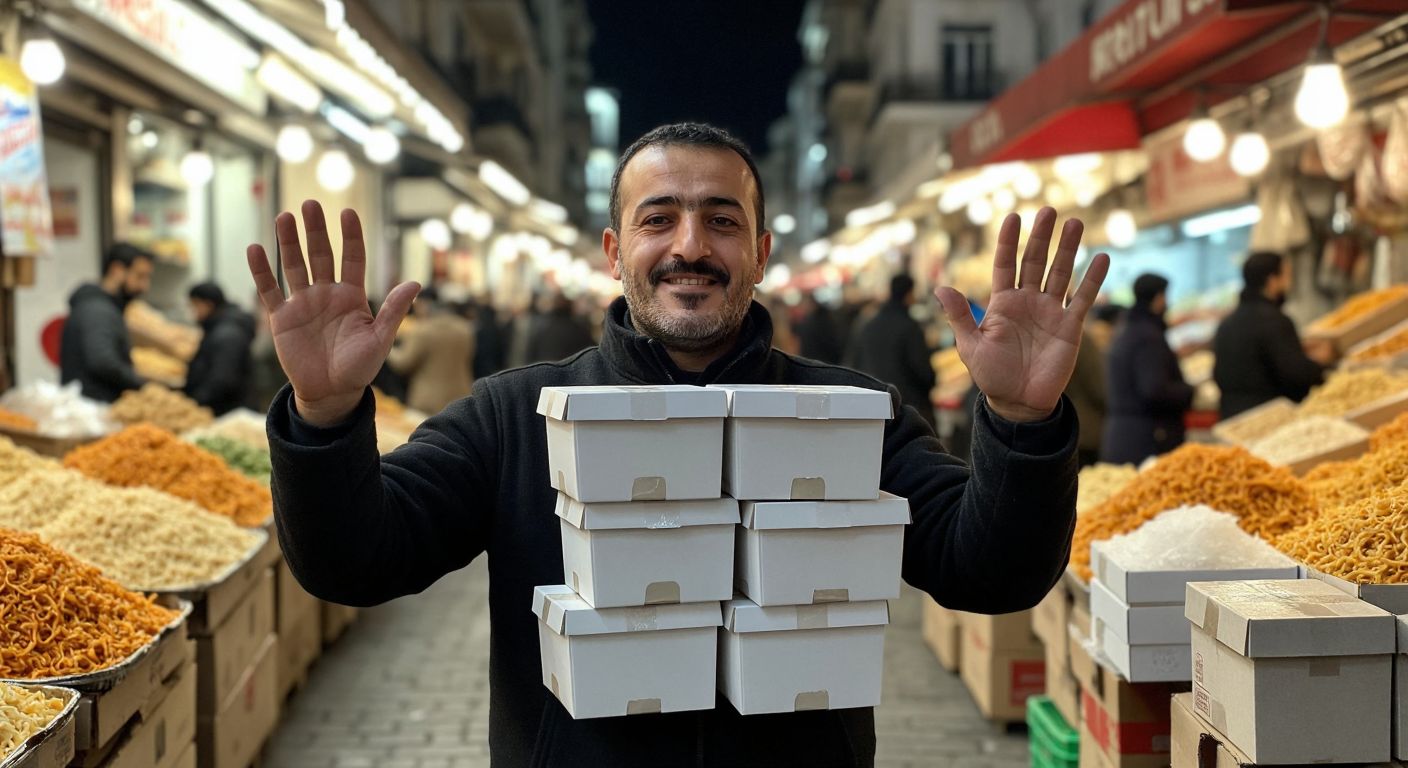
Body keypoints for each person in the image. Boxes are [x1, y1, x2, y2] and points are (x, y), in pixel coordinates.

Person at [247, 122, 1109, 767]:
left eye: (722, 222)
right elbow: (356, 564)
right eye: (659, 219)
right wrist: (324, 417)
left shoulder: (854, 414)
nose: (690, 247)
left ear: (763, 252)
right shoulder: (515, 415)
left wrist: (1021, 424)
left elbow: (989, 572)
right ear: (616, 251)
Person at [1213, 251, 1329, 418]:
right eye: (1287, 276)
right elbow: (1296, 375)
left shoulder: (1226, 325)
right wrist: (1320, 364)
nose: (1290, 283)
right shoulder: (1275, 320)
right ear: (1272, 280)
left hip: (1232, 418)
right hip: (1270, 418)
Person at [1101, 274, 1194, 465]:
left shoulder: (1127, 329)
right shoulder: (1148, 337)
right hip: (1145, 440)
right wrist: (1189, 391)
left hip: (1123, 436)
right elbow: (1154, 389)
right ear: (1159, 298)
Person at [60, 243, 153, 402]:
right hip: (93, 407)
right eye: (140, 276)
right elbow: (102, 361)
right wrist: (143, 386)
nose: (145, 286)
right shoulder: (98, 310)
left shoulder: (102, 306)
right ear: (117, 270)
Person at [848, 274, 939, 430]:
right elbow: (923, 371)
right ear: (909, 294)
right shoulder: (909, 327)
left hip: (874, 409)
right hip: (908, 410)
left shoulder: (869, 325)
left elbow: (854, 363)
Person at [386, 287, 475, 414]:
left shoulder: (422, 331)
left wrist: (388, 349)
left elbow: (403, 363)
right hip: (460, 397)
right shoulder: (464, 328)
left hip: (428, 401)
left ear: (423, 304)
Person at [183, 282, 256, 415]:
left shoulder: (227, 334)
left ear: (208, 304)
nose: (193, 312)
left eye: (195, 306)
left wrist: (194, 402)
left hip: (227, 411)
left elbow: (222, 379)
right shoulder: (220, 327)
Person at [524, 292, 596, 364]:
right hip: (567, 372)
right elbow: (591, 350)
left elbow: (530, 353)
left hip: (543, 369)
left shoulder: (543, 327)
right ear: (570, 307)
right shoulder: (578, 330)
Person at [795, 292, 843, 364]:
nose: (803, 307)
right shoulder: (825, 318)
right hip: (823, 362)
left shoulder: (815, 321)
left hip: (820, 362)